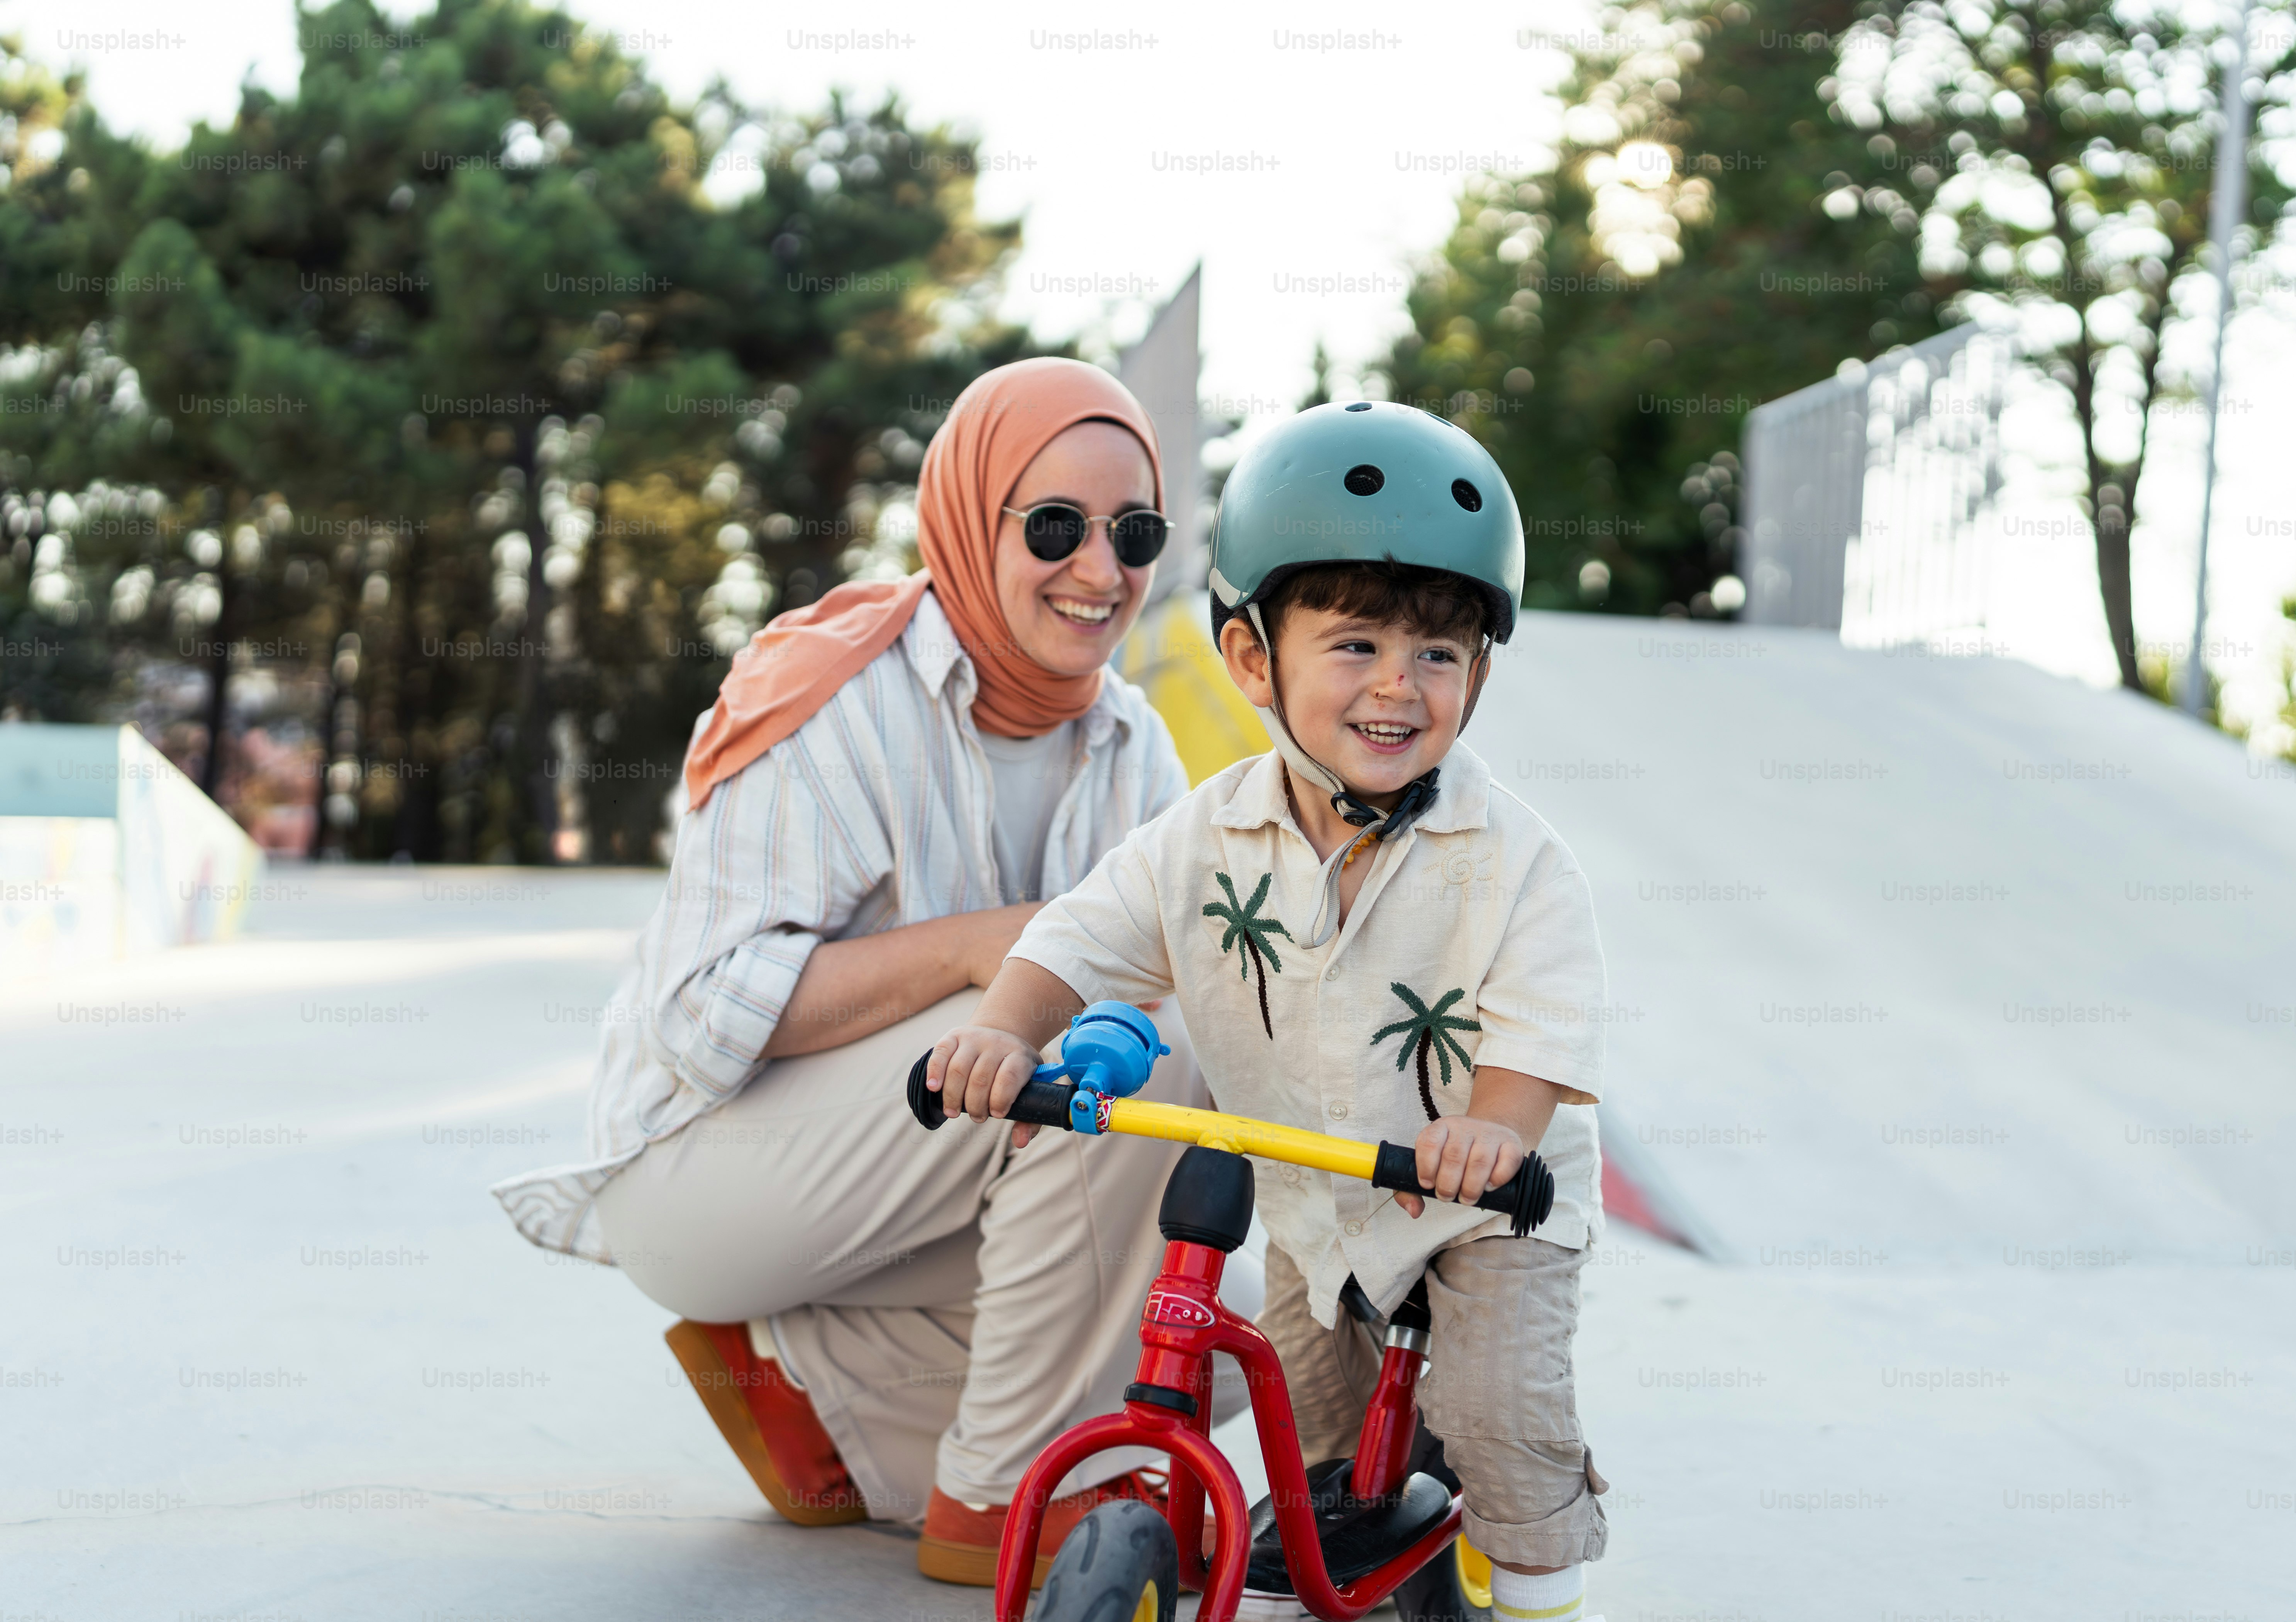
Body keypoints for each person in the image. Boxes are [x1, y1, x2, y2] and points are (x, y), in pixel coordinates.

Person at [491, 356, 1245, 1590]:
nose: (1102, 570)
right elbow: (696, 1013)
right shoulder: (840, 695)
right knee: (1102, 1057)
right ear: (965, 514)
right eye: (1054, 525)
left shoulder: (1131, 744)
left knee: (1215, 1317)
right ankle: (998, 1501)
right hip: (703, 1167)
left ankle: (815, 1399)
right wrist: (975, 949)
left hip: (907, 1180)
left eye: (1137, 530)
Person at [927, 400, 1611, 1622]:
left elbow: (1541, 1034)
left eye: (1440, 656)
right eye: (1354, 645)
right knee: (1318, 1459)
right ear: (1253, 661)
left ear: (1480, 674)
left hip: (1489, 1205)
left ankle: (1541, 1595)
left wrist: (1494, 1134)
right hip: (1315, 1204)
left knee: (1504, 1420)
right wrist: (1005, 1028)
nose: (1400, 685)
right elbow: (1081, 934)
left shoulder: (1519, 857)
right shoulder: (1206, 835)